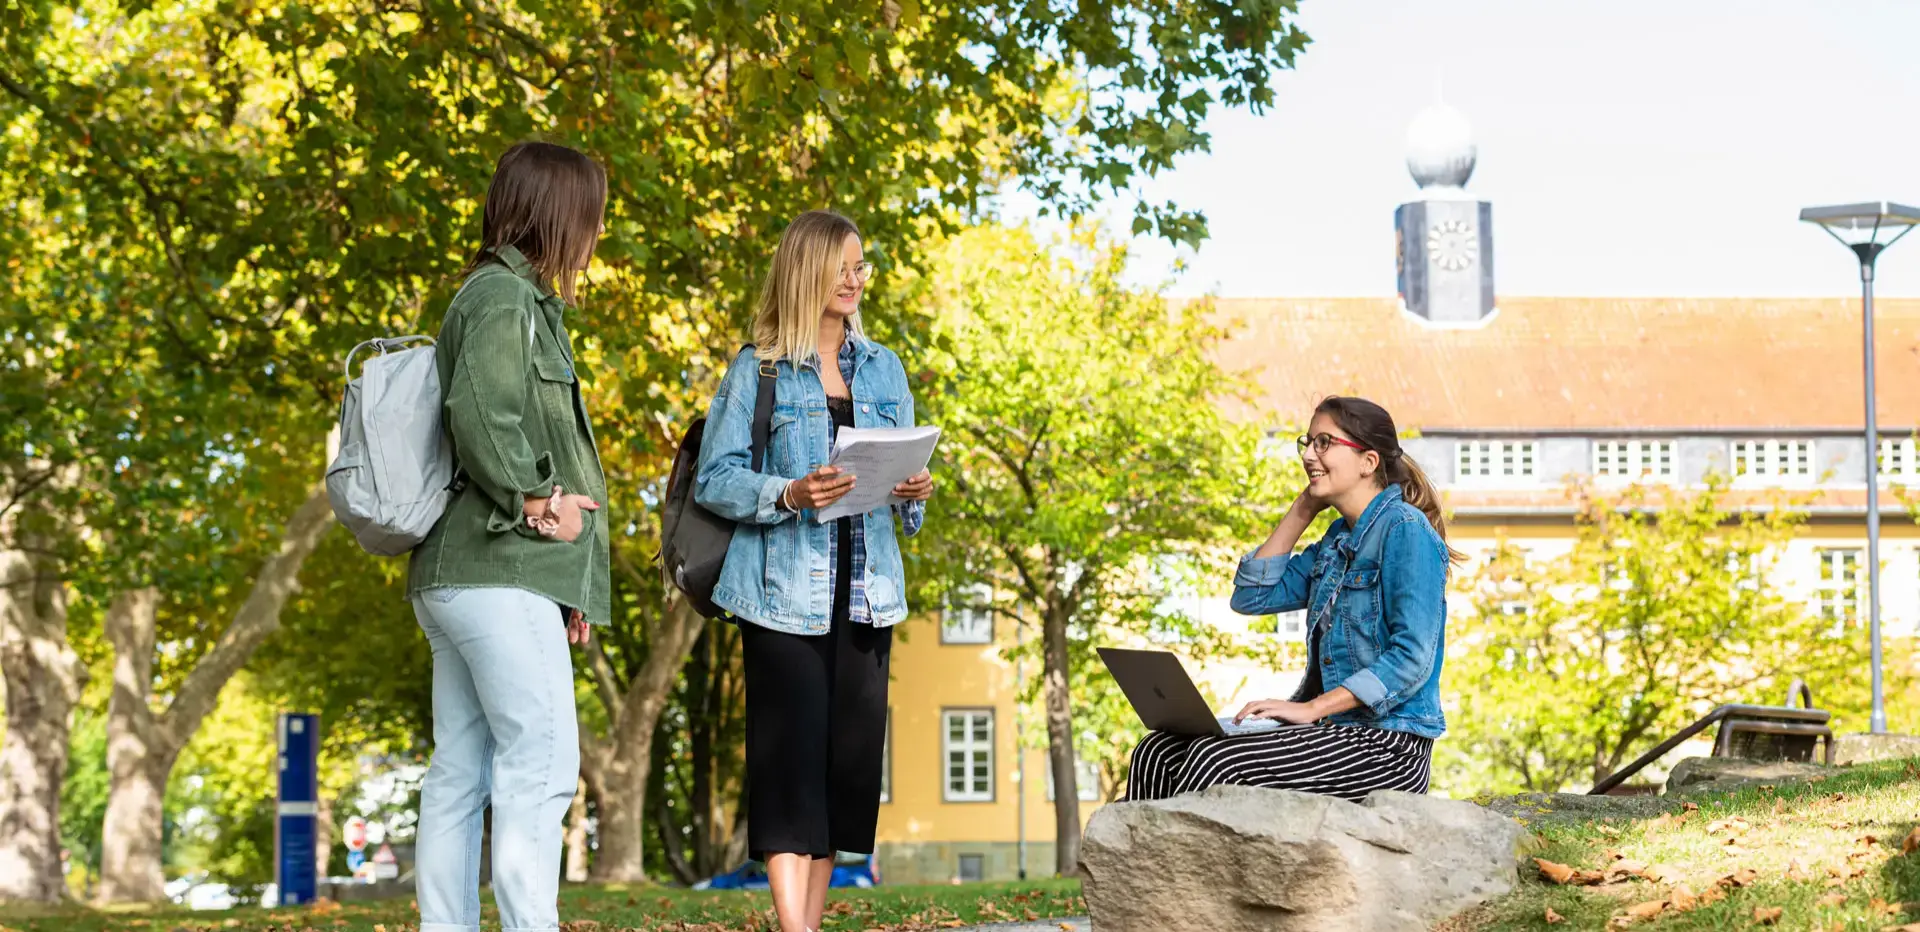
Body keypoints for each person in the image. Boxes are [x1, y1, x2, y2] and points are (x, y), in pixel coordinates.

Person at [693, 210, 933, 932]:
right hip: (779, 599)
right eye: (842, 267)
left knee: (841, 780)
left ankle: (811, 926)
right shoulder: (758, 368)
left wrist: (912, 490)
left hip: (866, 597)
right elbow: (716, 478)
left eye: (862, 267)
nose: (856, 280)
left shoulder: (885, 366)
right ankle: (794, 928)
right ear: (807, 272)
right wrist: (790, 492)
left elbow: (902, 490)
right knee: (789, 777)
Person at [405, 141, 610, 932]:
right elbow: (482, 413)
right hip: (497, 569)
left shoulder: (500, 298)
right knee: (543, 765)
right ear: (558, 216)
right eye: (589, 217)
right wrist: (537, 502)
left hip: (469, 575)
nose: (595, 236)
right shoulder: (502, 300)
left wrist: (568, 582)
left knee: (461, 771)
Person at [1126, 396, 1462, 803]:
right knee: (1158, 751)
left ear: (1368, 462)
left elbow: (1411, 658)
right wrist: (1304, 508)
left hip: (1388, 747)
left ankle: (1189, 868)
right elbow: (1250, 596)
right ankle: (1143, 868)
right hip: (1333, 733)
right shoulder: (1337, 541)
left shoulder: (1406, 531)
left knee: (1213, 760)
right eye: (1308, 442)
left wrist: (1313, 708)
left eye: (1324, 443)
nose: (1308, 455)